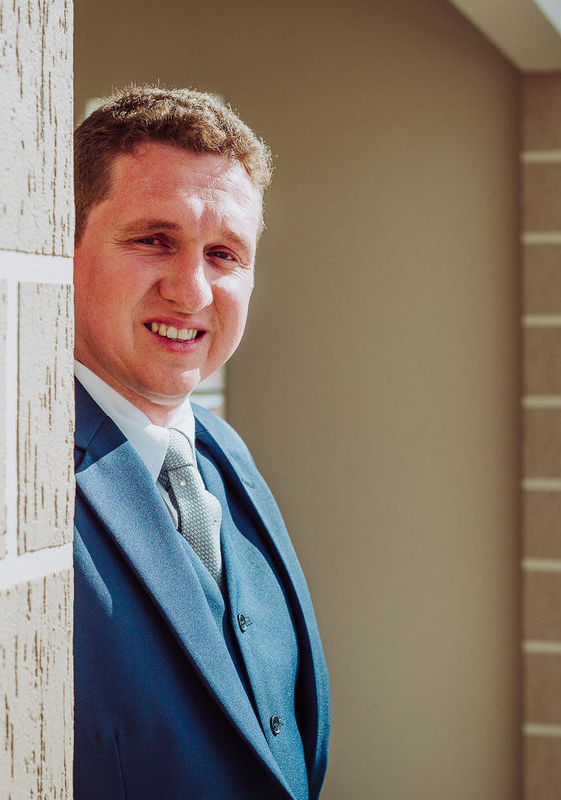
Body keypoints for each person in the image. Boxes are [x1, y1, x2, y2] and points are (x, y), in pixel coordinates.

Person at [71, 86, 330, 800]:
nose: (192, 290)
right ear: (62, 245)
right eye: (155, 239)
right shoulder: (18, 486)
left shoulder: (224, 454)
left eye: (224, 254)